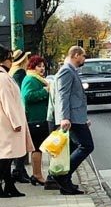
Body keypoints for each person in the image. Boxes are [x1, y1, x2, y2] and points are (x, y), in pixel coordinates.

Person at [53, 45, 92, 195]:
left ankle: (65, 180)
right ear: (76, 55)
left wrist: (83, 118)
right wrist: (64, 117)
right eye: (83, 56)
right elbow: (63, 95)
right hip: (71, 118)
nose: (84, 59)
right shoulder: (66, 71)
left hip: (76, 117)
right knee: (86, 145)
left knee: (80, 146)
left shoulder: (71, 70)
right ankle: (62, 176)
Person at [0, 46, 33, 198]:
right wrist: (16, 122)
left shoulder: (4, 76)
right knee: (6, 157)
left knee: (7, 158)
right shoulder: (2, 77)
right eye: (10, 58)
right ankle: (7, 186)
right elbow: (7, 102)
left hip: (7, 122)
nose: (11, 61)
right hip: (7, 124)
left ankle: (9, 186)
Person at [20, 55, 51, 187]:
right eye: (39, 66)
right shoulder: (30, 79)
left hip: (40, 117)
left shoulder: (38, 79)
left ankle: (37, 174)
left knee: (39, 147)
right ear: (32, 67)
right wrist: (44, 91)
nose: (42, 69)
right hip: (35, 118)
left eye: (43, 66)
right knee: (37, 147)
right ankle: (37, 175)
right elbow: (27, 97)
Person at [7, 49, 32, 184]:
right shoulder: (20, 73)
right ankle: (18, 170)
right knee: (20, 144)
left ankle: (20, 170)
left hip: (16, 114)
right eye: (27, 58)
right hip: (19, 114)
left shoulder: (11, 72)